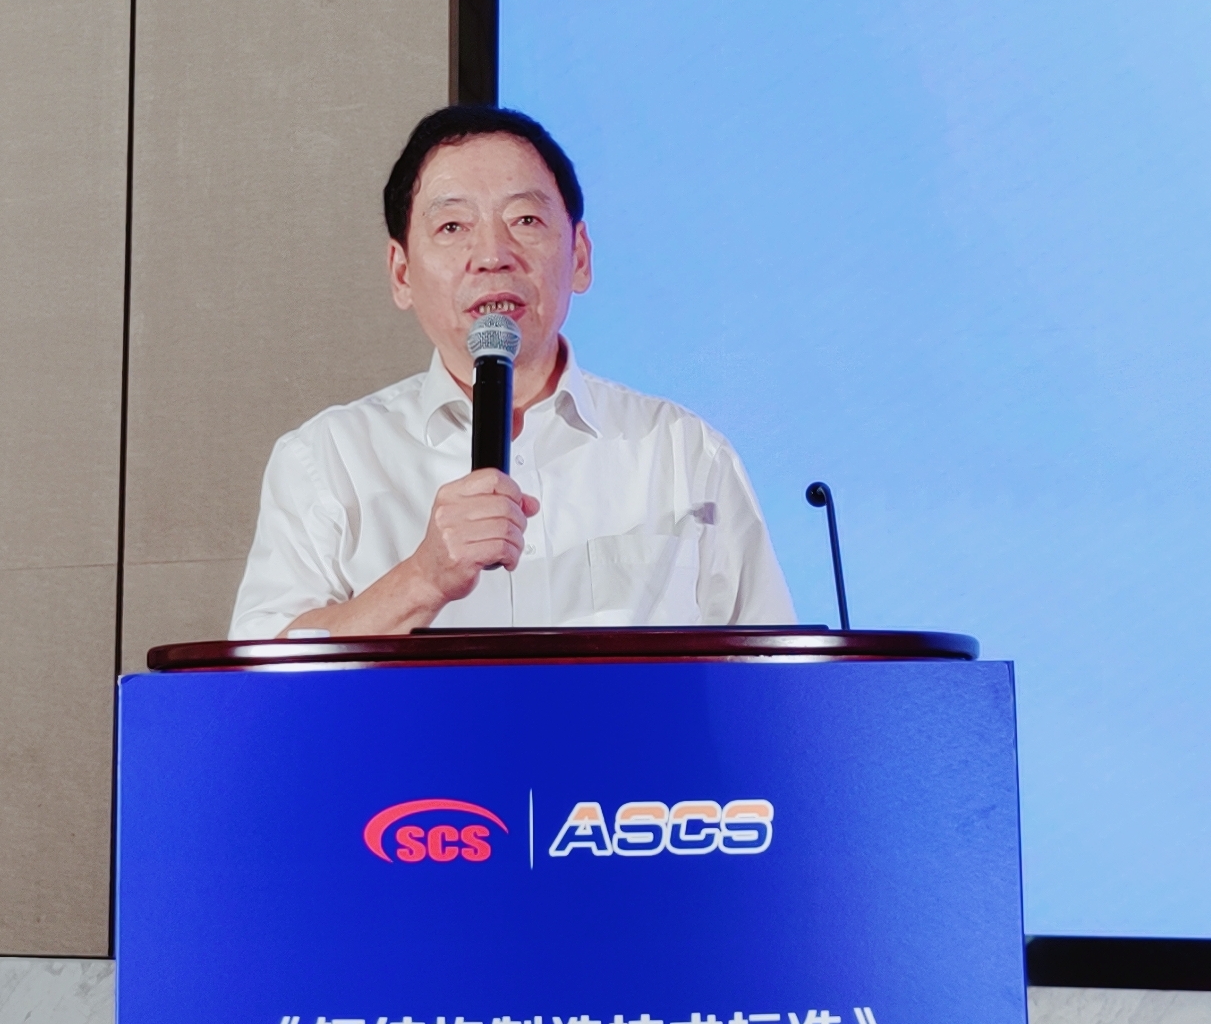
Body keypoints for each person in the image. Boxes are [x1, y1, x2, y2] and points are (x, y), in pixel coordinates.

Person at [229, 107, 796, 636]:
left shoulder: (683, 454)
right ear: (402, 273)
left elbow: (774, 680)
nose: (492, 254)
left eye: (525, 219)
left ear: (579, 257)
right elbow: (255, 683)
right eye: (452, 226)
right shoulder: (328, 460)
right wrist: (423, 579)